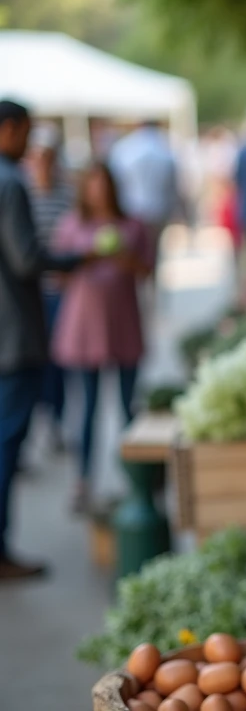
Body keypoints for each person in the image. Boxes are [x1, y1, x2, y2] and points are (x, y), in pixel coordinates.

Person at [0, 100, 81, 580]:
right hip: (14, 334)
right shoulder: (10, 182)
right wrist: (75, 259)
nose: (30, 144)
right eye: (26, 133)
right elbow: (27, 258)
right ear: (9, 129)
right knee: (7, 443)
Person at [52, 164, 153, 513]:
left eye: (104, 185)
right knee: (88, 410)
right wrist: (86, 260)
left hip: (123, 325)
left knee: (130, 410)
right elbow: (56, 277)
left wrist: (124, 259)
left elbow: (148, 271)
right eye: (92, 186)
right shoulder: (71, 226)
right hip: (84, 329)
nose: (99, 192)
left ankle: (138, 482)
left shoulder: (132, 226)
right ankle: (83, 481)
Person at [22, 124, 74, 453]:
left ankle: (55, 420)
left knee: (58, 363)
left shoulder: (66, 195)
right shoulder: (20, 190)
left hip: (58, 290)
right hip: (29, 293)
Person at [107, 119, 179, 244]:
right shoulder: (165, 147)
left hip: (130, 208)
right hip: (158, 210)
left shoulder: (124, 147)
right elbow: (172, 183)